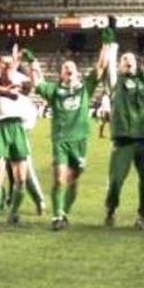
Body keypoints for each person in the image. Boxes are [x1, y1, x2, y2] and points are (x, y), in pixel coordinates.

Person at [30, 39, 110, 230]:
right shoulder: (54, 91)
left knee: (73, 180)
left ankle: (64, 212)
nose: (68, 68)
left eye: (71, 66)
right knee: (59, 178)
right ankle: (57, 216)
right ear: (61, 75)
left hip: (79, 141)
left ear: (77, 73)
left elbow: (100, 67)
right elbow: (38, 82)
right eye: (65, 67)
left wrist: (106, 43)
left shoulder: (85, 88)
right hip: (61, 141)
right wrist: (32, 62)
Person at [102, 29, 144, 230]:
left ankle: (143, 215)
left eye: (132, 60)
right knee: (116, 180)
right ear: (119, 64)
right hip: (122, 140)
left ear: (137, 64)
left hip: (143, 139)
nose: (128, 62)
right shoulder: (114, 82)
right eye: (124, 60)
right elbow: (109, 63)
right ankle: (110, 209)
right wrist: (111, 43)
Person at [0, 47, 37, 230]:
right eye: (4, 63)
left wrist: (30, 63)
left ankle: (13, 213)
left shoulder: (19, 78)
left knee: (20, 178)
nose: (8, 65)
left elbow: (31, 85)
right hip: (0, 127)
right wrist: (4, 90)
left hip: (18, 128)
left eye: (10, 62)